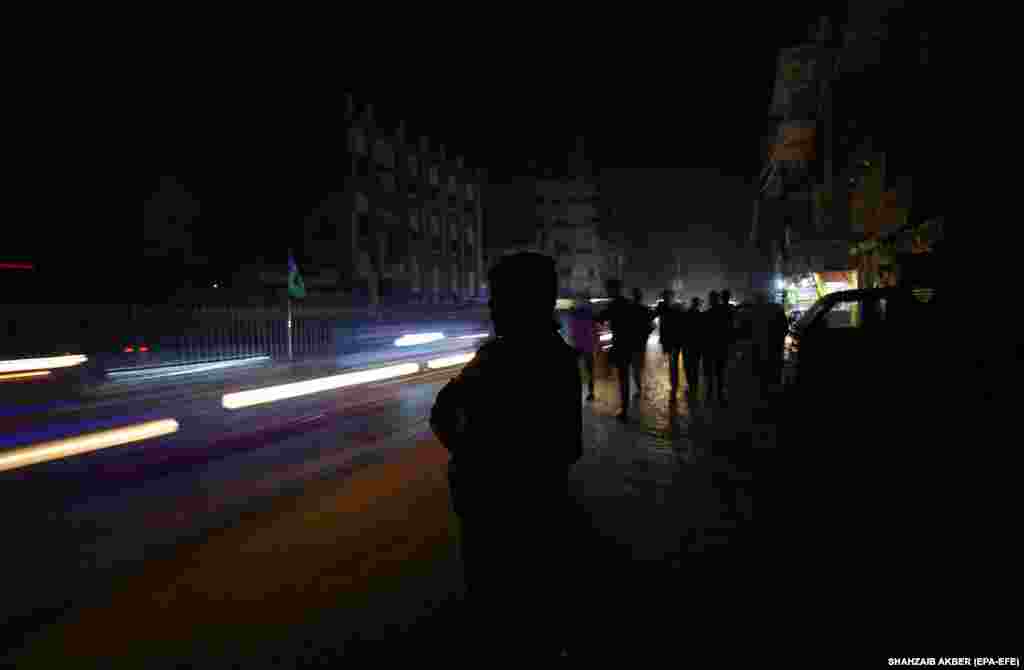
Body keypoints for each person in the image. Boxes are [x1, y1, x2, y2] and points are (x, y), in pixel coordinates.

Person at [429, 252, 582, 658]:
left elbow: (442, 413)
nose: (492, 310)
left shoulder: (494, 360)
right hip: (542, 514)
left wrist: (469, 458)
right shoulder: (561, 361)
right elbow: (569, 447)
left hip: (491, 514)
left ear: (521, 302)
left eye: (498, 300)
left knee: (496, 615)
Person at [596, 279, 640, 421]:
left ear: (613, 289)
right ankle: (624, 408)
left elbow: (600, 318)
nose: (607, 292)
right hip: (628, 345)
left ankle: (624, 410)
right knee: (624, 377)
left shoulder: (614, 305)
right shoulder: (627, 304)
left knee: (622, 376)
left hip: (620, 345)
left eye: (608, 289)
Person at [703, 291, 732, 405]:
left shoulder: (708, 313)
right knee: (720, 372)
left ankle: (710, 395)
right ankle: (719, 395)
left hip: (711, 347)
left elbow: (704, 333)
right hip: (721, 346)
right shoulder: (725, 312)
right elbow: (729, 329)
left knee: (711, 373)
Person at [569, 290, 599, 401]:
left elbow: (573, 329)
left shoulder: (575, 312)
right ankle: (591, 392)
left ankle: (590, 392)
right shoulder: (589, 311)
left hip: (579, 344)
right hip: (586, 344)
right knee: (589, 369)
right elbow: (593, 328)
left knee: (586, 369)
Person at [655, 289, 685, 398]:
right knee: (673, 363)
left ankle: (674, 384)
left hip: (672, 340)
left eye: (666, 296)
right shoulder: (675, 306)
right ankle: (674, 383)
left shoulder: (664, 307)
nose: (665, 298)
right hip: (673, 340)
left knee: (673, 363)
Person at [629, 288, 654, 399]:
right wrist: (645, 334)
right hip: (641, 342)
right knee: (639, 366)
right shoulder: (645, 309)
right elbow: (653, 326)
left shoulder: (629, 309)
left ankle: (639, 388)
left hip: (632, 342)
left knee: (635, 367)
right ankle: (640, 387)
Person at [681, 296, 704, 398]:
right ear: (697, 304)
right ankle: (694, 385)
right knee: (695, 367)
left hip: (687, 345)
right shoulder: (700, 315)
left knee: (688, 366)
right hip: (697, 346)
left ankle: (691, 385)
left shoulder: (686, 314)